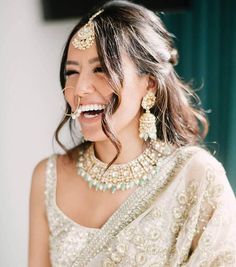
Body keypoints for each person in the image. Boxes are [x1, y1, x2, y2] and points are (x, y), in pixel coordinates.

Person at [28, 1, 236, 266]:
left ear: (149, 84)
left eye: (100, 69)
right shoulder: (48, 178)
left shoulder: (196, 176)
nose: (79, 89)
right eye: (72, 72)